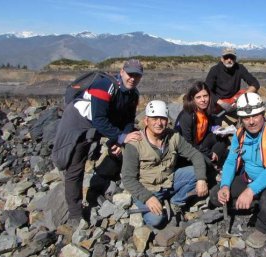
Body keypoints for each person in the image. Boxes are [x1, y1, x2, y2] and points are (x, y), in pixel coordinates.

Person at [52, 59, 144, 227]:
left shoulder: (133, 94)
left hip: (102, 120)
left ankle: (103, 179)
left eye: (137, 76)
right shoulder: (104, 86)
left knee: (123, 140)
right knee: (75, 165)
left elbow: (128, 121)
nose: (133, 78)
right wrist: (121, 137)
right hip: (79, 122)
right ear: (122, 72)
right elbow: (99, 120)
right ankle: (75, 213)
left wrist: (121, 139)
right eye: (130, 74)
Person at [209, 92, 266, 249]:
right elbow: (231, 162)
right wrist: (225, 185)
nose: (251, 122)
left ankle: (265, 227)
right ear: (241, 119)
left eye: (255, 116)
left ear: (262, 114)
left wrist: (250, 191)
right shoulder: (240, 134)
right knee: (215, 196)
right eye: (246, 118)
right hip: (249, 179)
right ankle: (254, 204)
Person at [121, 100, 208, 228]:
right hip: (147, 188)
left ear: (167, 121)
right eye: (154, 118)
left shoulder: (173, 137)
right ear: (146, 121)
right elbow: (128, 178)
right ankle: (153, 203)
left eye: (162, 119)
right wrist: (148, 198)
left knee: (197, 173)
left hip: (170, 181)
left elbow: (195, 155)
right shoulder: (134, 144)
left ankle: (176, 202)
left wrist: (201, 179)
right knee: (157, 220)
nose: (159, 123)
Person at [174, 81, 229, 181]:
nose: (203, 100)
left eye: (205, 96)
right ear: (192, 99)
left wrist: (217, 129)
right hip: (186, 151)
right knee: (204, 162)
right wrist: (208, 154)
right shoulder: (187, 115)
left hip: (199, 144)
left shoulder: (204, 111)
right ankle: (213, 167)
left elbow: (208, 125)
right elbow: (187, 144)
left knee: (223, 138)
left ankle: (214, 161)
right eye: (198, 97)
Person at [205, 47, 260, 117]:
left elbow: (255, 83)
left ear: (235, 59)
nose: (229, 60)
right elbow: (207, 90)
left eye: (232, 57)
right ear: (222, 59)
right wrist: (221, 103)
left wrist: (242, 97)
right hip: (219, 100)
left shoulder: (240, 68)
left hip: (234, 99)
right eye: (226, 57)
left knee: (253, 93)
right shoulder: (215, 70)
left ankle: (250, 117)